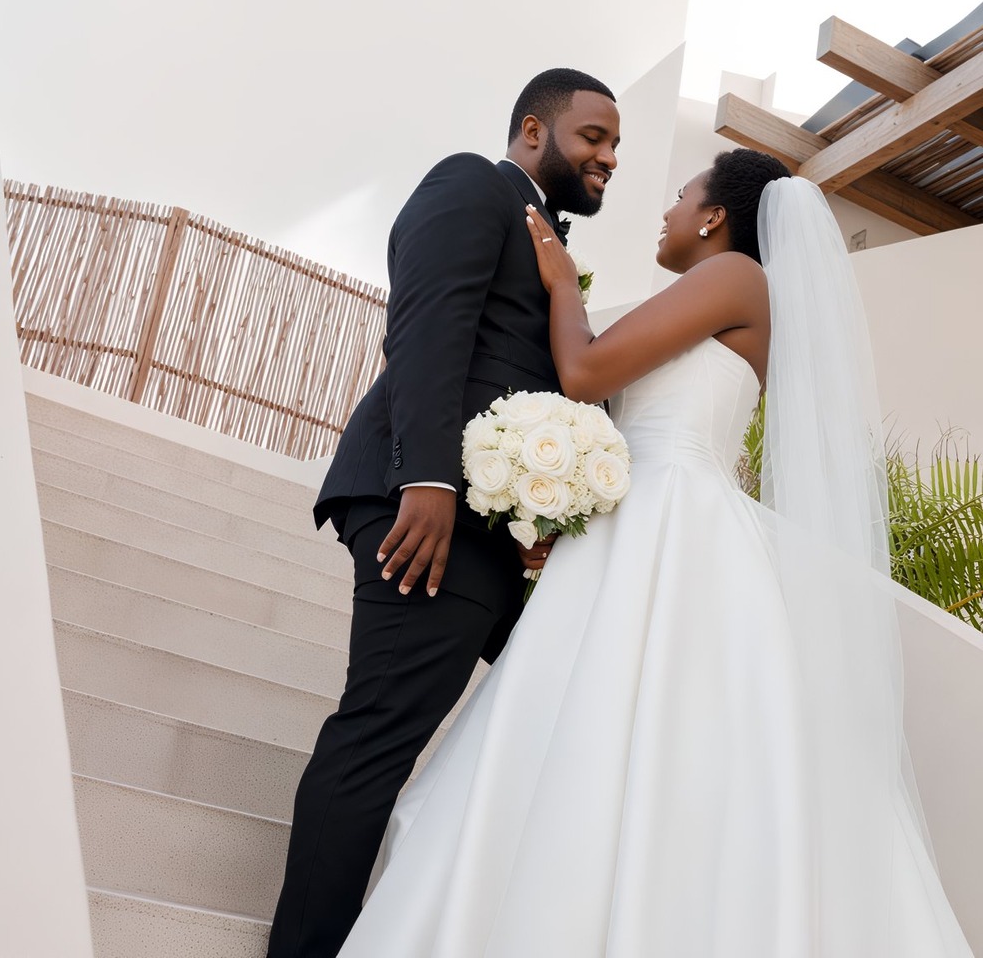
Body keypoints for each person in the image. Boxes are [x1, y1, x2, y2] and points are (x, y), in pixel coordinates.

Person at [335, 149, 975, 956]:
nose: (667, 210)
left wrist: (563, 284)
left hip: (671, 523)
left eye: (680, 195)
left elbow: (586, 371)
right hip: (647, 518)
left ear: (714, 217)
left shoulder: (735, 275)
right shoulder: (737, 294)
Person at [265, 68, 622, 958]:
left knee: (569, 727)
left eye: (616, 145)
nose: (608, 157)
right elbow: (427, 327)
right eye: (594, 138)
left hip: (502, 535)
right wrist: (427, 480)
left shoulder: (550, 237)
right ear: (534, 132)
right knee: (380, 735)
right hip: (431, 513)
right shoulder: (471, 182)